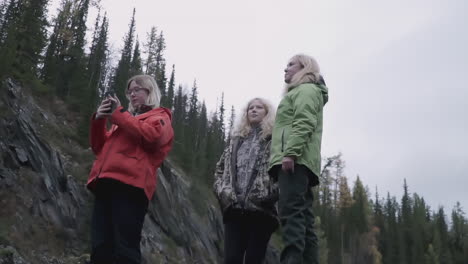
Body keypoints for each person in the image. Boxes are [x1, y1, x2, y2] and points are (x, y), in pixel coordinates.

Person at [87, 75, 174, 264]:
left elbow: (153, 137)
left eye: (137, 90)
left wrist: (119, 114)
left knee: (125, 248)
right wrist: (99, 120)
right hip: (105, 183)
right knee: (100, 246)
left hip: (131, 187)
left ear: (149, 92)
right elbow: (99, 147)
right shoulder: (125, 122)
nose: (132, 94)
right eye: (130, 91)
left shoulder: (160, 117)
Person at [268, 54, 329, 264]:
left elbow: (304, 122)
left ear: (305, 68)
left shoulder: (305, 90)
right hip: (301, 162)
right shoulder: (306, 91)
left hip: (295, 161)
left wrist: (290, 153)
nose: (285, 69)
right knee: (304, 218)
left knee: (291, 213)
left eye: (290, 65)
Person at [214, 97, 279, 264]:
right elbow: (220, 169)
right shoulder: (236, 141)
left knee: (254, 259)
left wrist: (270, 193)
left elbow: (282, 171)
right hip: (235, 209)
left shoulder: (274, 140)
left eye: (259, 107)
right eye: (251, 108)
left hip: (261, 210)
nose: (254, 110)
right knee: (231, 259)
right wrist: (222, 191)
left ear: (267, 113)